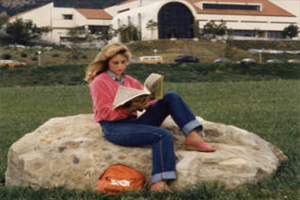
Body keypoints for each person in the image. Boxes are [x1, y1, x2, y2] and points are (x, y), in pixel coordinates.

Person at [85, 43, 215, 193]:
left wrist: (148, 101)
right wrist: (129, 108)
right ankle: (158, 183)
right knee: (162, 135)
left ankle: (193, 137)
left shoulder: (130, 80)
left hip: (133, 122)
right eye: (115, 63)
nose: (120, 66)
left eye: (123, 62)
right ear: (106, 63)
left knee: (171, 97)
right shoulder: (100, 82)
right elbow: (104, 113)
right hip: (114, 128)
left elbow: (142, 99)